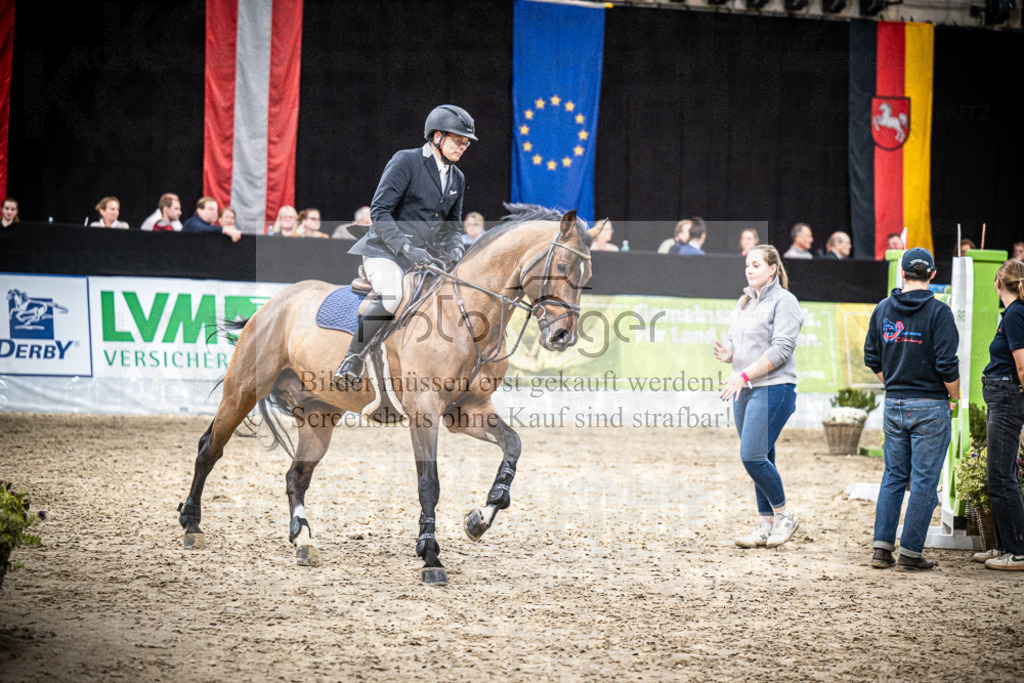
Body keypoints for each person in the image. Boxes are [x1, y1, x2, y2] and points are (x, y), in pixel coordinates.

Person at [331, 104, 476, 391]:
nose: (463, 147)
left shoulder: (457, 178)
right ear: (436, 136)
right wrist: (406, 248)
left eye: (466, 143)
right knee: (393, 295)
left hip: (424, 259)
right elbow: (381, 211)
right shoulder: (406, 161)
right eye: (458, 140)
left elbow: (452, 227)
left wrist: (456, 251)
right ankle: (352, 360)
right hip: (385, 251)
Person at [863, 247, 960, 571]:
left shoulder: (882, 309)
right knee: (923, 481)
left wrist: (893, 380)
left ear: (902, 274)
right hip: (931, 404)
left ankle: (881, 548)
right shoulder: (939, 312)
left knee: (893, 476)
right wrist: (955, 396)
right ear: (933, 275)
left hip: (895, 403)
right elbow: (948, 363)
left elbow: (871, 357)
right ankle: (910, 553)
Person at [713, 245, 804, 549]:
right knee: (761, 456)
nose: (749, 270)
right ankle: (766, 525)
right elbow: (734, 341)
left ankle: (785, 516)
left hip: (774, 388)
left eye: (756, 265)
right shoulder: (744, 302)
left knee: (751, 455)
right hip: (746, 388)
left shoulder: (786, 302)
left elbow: (780, 351)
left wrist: (743, 374)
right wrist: (729, 355)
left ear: (773, 269)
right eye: (747, 265)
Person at [976, 259, 1024, 570]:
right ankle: (1006, 545)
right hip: (1003, 395)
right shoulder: (1013, 313)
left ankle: (1018, 549)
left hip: (1008, 396)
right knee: (1002, 473)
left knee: (1002, 475)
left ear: (998, 284)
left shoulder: (1016, 314)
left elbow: (1022, 363)